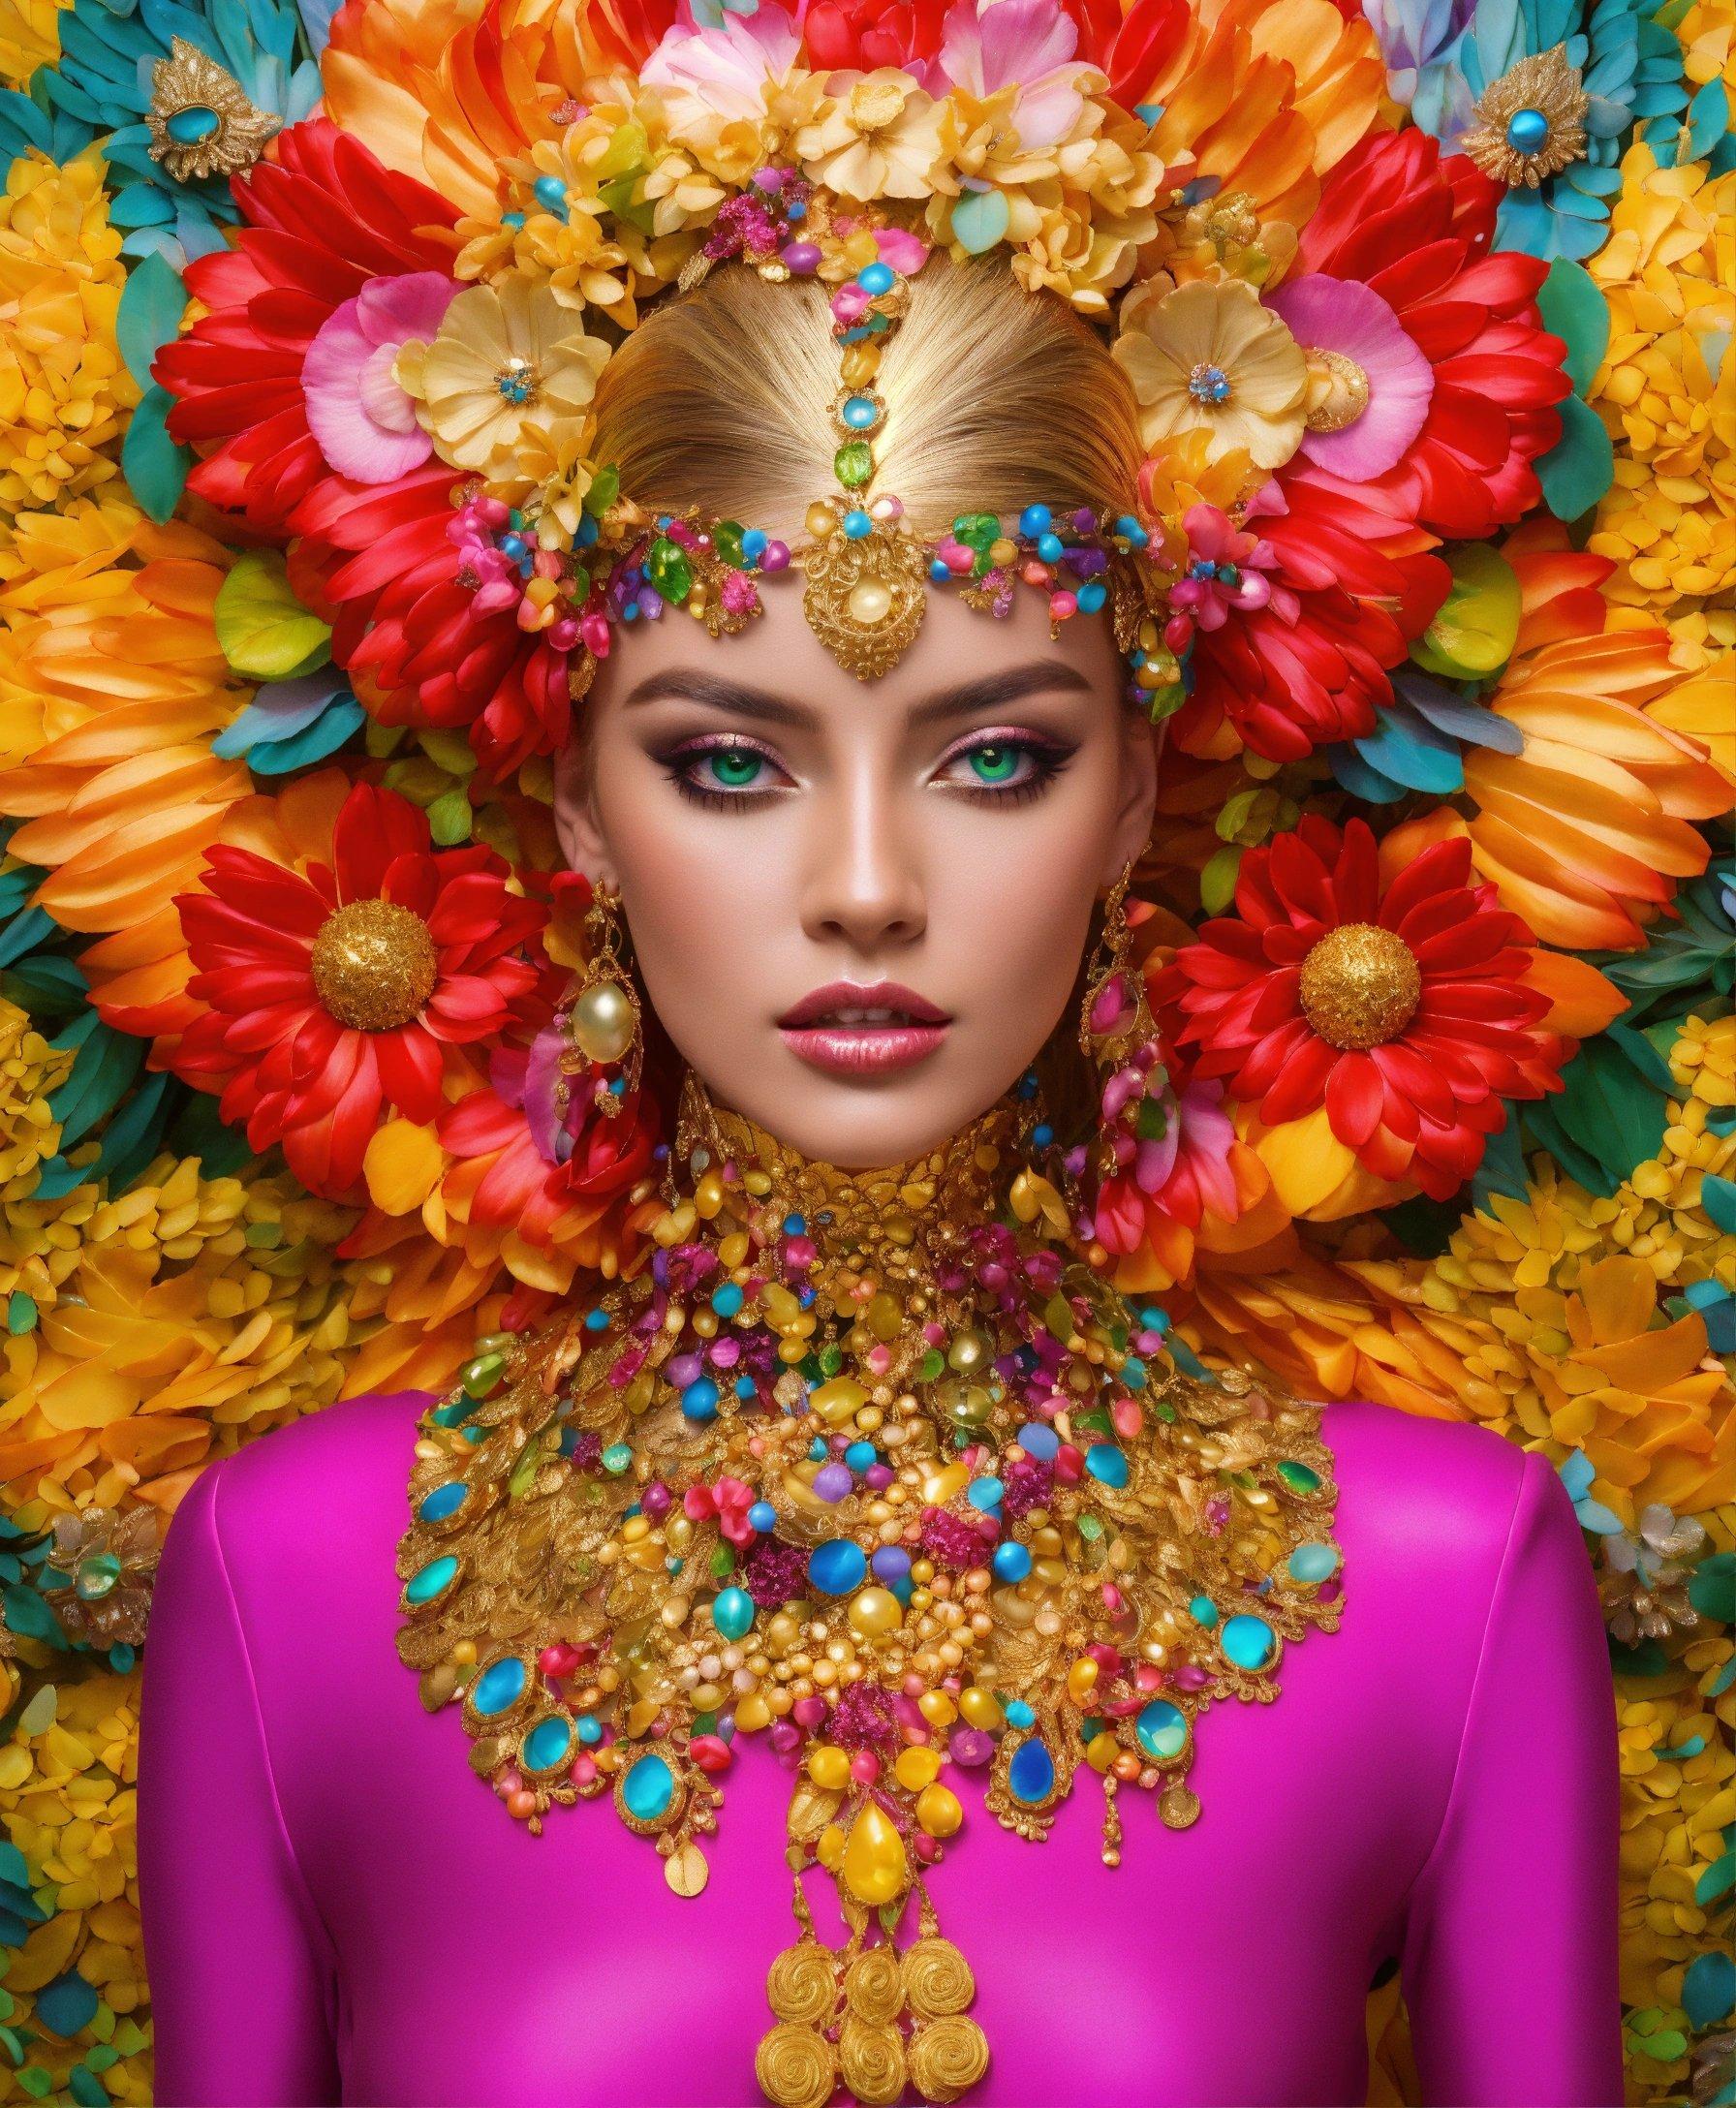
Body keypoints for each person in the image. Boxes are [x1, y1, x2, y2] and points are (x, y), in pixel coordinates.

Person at [136, 19, 1624, 2108]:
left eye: (992, 756)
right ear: (576, 811)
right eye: (727, 762)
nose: (861, 887)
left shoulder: (1441, 1589)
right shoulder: (292, 1583)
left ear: (1128, 810)